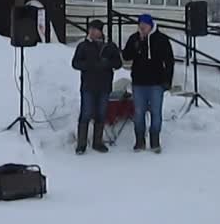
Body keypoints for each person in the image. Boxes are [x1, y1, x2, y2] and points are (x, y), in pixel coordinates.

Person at [122, 14, 174, 154]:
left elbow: (169, 61)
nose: (142, 28)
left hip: (156, 83)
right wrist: (136, 45)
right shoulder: (134, 38)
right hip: (139, 82)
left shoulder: (161, 39)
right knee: (139, 113)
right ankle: (139, 140)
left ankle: (155, 140)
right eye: (140, 25)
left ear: (151, 25)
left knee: (156, 113)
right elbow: (126, 56)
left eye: (144, 25)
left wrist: (167, 81)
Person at [71, 20, 122, 154]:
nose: (92, 32)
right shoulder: (83, 46)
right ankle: (81, 144)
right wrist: (89, 65)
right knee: (86, 113)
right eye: (90, 29)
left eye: (95, 29)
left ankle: (97, 142)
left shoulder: (110, 46)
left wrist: (108, 63)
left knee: (101, 113)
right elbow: (75, 63)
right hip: (88, 85)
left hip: (104, 85)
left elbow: (118, 63)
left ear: (101, 31)